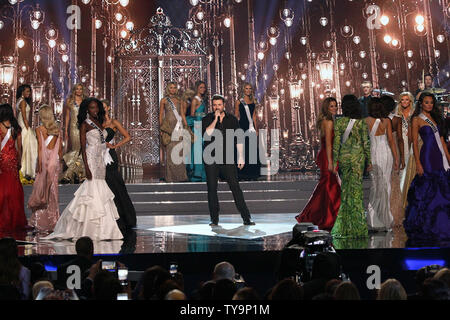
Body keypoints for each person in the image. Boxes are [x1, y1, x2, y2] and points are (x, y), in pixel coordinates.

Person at [42, 98, 123, 241]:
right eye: (92, 108)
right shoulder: (85, 124)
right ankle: (86, 228)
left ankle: (104, 229)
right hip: (91, 158)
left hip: (100, 159)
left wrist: (108, 148)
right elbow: (83, 149)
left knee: (100, 189)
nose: (95, 110)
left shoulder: (99, 122)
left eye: (96, 107)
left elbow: (103, 141)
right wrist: (86, 167)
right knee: (90, 191)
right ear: (87, 109)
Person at [202, 94, 255, 226]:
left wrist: (241, 156)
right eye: (214, 105)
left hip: (227, 158)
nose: (217, 107)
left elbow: (238, 139)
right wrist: (215, 120)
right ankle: (214, 219)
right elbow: (206, 135)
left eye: (219, 105)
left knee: (235, 187)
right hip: (211, 158)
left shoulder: (231, 119)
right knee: (212, 189)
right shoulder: (207, 119)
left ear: (224, 105)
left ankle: (246, 217)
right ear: (212, 106)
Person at [403, 92, 450, 242]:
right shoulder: (416, 119)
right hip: (427, 156)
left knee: (441, 188)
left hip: (439, 155)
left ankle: (441, 224)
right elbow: (415, 144)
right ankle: (426, 224)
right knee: (428, 188)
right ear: (421, 104)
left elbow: (442, 141)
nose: (429, 105)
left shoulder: (435, 118)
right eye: (426, 102)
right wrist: (418, 163)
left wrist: (448, 158)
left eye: (431, 103)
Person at [296, 97, 341, 231]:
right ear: (326, 108)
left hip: (327, 155)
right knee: (329, 186)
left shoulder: (328, 120)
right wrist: (331, 161)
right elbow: (328, 143)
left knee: (326, 186)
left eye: (335, 106)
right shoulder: (328, 122)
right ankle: (328, 217)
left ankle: (314, 214)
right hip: (328, 156)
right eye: (331, 106)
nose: (334, 108)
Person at [331, 95, 371, 242]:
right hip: (358, 159)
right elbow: (366, 143)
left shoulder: (340, 122)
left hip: (344, 159)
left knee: (346, 191)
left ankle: (345, 225)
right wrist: (369, 161)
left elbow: (336, 145)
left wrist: (334, 162)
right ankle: (357, 226)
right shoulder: (361, 123)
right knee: (356, 192)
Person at [102, 100, 137, 232]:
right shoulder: (98, 123)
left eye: (104, 107)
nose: (102, 109)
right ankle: (107, 217)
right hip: (99, 156)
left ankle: (123, 218)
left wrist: (115, 146)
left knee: (115, 185)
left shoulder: (114, 122)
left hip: (110, 156)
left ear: (108, 108)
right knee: (103, 185)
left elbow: (128, 136)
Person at [366, 98, 399, 232]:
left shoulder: (366, 121)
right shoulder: (387, 121)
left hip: (374, 153)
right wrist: (396, 158)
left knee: (375, 185)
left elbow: (365, 142)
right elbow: (391, 141)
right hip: (386, 154)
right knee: (386, 184)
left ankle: (375, 220)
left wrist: (367, 160)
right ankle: (386, 219)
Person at [28, 105, 62, 234]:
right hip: (55, 160)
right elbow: (59, 149)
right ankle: (53, 219)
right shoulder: (56, 129)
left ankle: (41, 219)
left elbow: (41, 148)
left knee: (41, 188)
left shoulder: (39, 129)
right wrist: (58, 161)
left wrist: (39, 164)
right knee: (52, 189)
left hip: (44, 159)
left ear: (42, 115)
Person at [0, 104, 28, 234]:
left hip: (2, 160)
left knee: (3, 190)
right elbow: (20, 147)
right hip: (12, 160)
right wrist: (20, 160)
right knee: (14, 191)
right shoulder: (16, 127)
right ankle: (14, 220)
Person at [381, 96, 405, 228]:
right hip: (394, 150)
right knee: (394, 183)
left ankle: (384, 215)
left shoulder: (378, 120)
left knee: (383, 183)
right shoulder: (396, 119)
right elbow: (400, 139)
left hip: (381, 151)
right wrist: (401, 157)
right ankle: (396, 216)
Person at [159, 82, 188, 182]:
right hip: (168, 129)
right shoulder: (164, 100)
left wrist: (186, 127)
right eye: (171, 88)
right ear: (168, 89)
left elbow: (183, 115)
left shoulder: (180, 100)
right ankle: (170, 177)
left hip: (179, 127)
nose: (173, 89)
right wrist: (161, 129)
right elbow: (161, 115)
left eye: (174, 88)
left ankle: (181, 176)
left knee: (180, 152)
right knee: (170, 152)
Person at [61, 83, 87, 184]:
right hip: (73, 128)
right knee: (77, 150)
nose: (79, 91)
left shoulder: (85, 101)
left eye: (81, 89)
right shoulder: (69, 101)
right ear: (74, 90)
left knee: (82, 150)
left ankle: (75, 174)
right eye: (77, 89)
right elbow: (67, 116)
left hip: (83, 128)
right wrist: (66, 129)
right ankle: (79, 174)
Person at [234, 82, 261, 180]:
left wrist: (256, 129)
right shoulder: (239, 102)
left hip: (251, 127)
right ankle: (242, 173)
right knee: (243, 149)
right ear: (243, 89)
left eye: (250, 88)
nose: (248, 90)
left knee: (252, 149)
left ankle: (252, 172)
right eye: (246, 88)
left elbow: (254, 116)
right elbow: (236, 116)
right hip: (242, 126)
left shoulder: (254, 101)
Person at [396, 92, 417, 210]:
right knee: (401, 168)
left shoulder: (414, 114)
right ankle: (401, 197)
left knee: (410, 168)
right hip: (400, 142)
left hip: (411, 142)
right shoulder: (397, 114)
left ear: (410, 101)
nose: (404, 102)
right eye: (402, 100)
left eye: (407, 100)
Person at [186, 81, 207, 182]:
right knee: (197, 149)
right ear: (197, 88)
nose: (203, 89)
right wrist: (203, 116)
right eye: (201, 87)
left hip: (202, 126)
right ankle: (197, 172)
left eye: (204, 87)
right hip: (197, 126)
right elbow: (192, 114)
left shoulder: (202, 99)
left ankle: (202, 172)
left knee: (202, 149)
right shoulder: (195, 100)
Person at [16, 84, 38, 183]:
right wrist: (29, 128)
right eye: (27, 91)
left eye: (29, 91)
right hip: (24, 127)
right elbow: (24, 117)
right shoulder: (23, 102)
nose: (29, 93)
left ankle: (25, 171)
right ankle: (26, 171)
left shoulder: (19, 101)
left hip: (21, 126)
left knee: (26, 148)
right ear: (22, 92)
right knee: (29, 148)